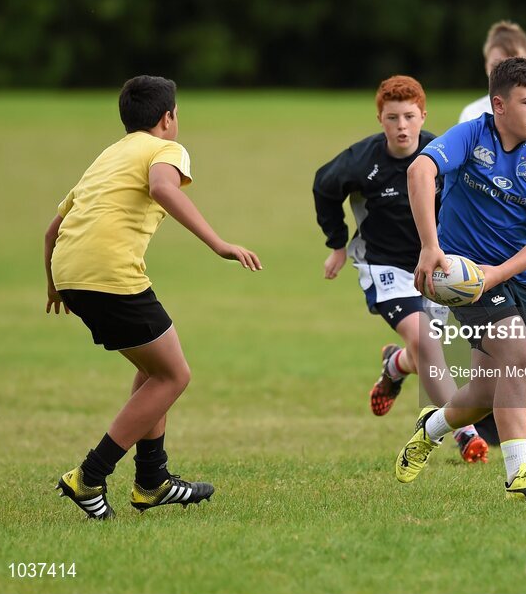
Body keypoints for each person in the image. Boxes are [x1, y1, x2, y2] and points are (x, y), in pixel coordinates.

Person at [45, 75, 262, 519]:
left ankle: (152, 481)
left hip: (72, 270)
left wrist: (56, 283)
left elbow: (52, 229)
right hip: (109, 272)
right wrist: (218, 243)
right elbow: (163, 187)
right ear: (168, 118)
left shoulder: (109, 155)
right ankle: (89, 476)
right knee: (174, 376)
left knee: (155, 369)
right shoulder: (166, 149)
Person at [395, 57, 526, 500]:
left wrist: (500, 274)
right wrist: (430, 247)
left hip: (510, 277)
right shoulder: (473, 134)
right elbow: (420, 170)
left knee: (485, 389)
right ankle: (520, 473)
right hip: (463, 275)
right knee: (520, 350)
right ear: (499, 105)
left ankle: (430, 427)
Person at [312, 75, 488, 463]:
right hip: (383, 265)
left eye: (410, 116)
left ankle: (395, 365)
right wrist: (337, 244)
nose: (402, 126)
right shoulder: (361, 160)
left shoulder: (442, 153)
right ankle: (464, 433)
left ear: (423, 115)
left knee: (422, 350)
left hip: (437, 267)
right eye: (392, 118)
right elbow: (324, 186)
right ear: (380, 118)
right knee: (427, 341)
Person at [459, 20, 526, 447]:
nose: (498, 73)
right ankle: (488, 429)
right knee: (495, 351)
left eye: (507, 64)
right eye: (494, 65)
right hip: (485, 257)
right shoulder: (472, 115)